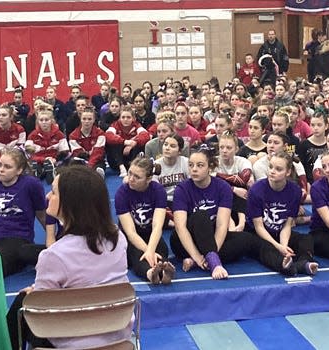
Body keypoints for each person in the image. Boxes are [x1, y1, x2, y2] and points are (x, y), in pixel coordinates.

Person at [9, 165, 131, 350]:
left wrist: (34, 294)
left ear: (71, 203)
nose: (48, 196)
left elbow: (42, 312)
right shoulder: (118, 238)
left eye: (54, 192)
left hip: (71, 339)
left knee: (23, 302)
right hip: (118, 334)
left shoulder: (54, 256)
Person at [170, 146, 256, 279]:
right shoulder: (182, 189)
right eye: (191, 165)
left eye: (200, 165)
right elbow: (180, 227)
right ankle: (212, 263)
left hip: (210, 237)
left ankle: (202, 260)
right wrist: (198, 257)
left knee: (247, 239)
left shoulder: (223, 187)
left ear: (210, 167)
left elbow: (222, 225)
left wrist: (210, 254)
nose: (194, 169)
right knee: (201, 215)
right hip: (184, 242)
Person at [0, 147, 47, 276]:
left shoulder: (31, 185)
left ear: (19, 170)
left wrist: (55, 242)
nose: (1, 169)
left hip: (17, 235)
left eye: (7, 167)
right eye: (0, 165)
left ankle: (22, 257)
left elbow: (42, 215)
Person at [248, 151, 317, 276]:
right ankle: (284, 265)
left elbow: (287, 224)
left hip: (280, 231)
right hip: (260, 233)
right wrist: (278, 246)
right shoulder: (256, 190)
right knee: (265, 248)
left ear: (288, 172)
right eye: (271, 167)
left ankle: (304, 262)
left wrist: (284, 246)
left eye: (278, 169)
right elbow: (258, 227)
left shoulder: (295, 191)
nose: (272, 171)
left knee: (306, 239)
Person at [115, 156, 174, 284]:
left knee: (161, 249)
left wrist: (151, 250)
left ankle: (163, 272)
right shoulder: (122, 193)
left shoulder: (158, 191)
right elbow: (130, 232)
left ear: (148, 179)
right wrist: (148, 251)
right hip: (130, 235)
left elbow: (157, 226)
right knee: (136, 254)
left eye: (137, 177)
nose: (131, 179)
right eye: (130, 173)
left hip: (150, 232)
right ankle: (150, 274)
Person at [25, 108, 69, 183]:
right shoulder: (32, 135)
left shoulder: (59, 134)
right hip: (38, 161)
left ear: (51, 121)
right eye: (41, 120)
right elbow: (28, 154)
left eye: (46, 120)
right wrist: (42, 159)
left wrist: (55, 159)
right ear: (38, 122)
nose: (44, 122)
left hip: (54, 161)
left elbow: (65, 152)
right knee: (33, 168)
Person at [106, 106, 151, 177]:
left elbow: (146, 135)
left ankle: (132, 167)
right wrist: (125, 142)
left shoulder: (137, 125)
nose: (125, 119)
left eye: (128, 117)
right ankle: (122, 167)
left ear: (133, 118)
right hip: (116, 162)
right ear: (119, 118)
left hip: (131, 157)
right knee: (113, 143)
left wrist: (134, 143)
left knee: (138, 144)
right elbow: (108, 136)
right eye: (123, 117)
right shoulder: (115, 125)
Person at [0, 104, 27, 175]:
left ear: (11, 117)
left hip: (15, 159)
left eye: (4, 115)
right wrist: (3, 160)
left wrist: (10, 160)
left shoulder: (20, 130)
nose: (0, 118)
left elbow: (20, 150)